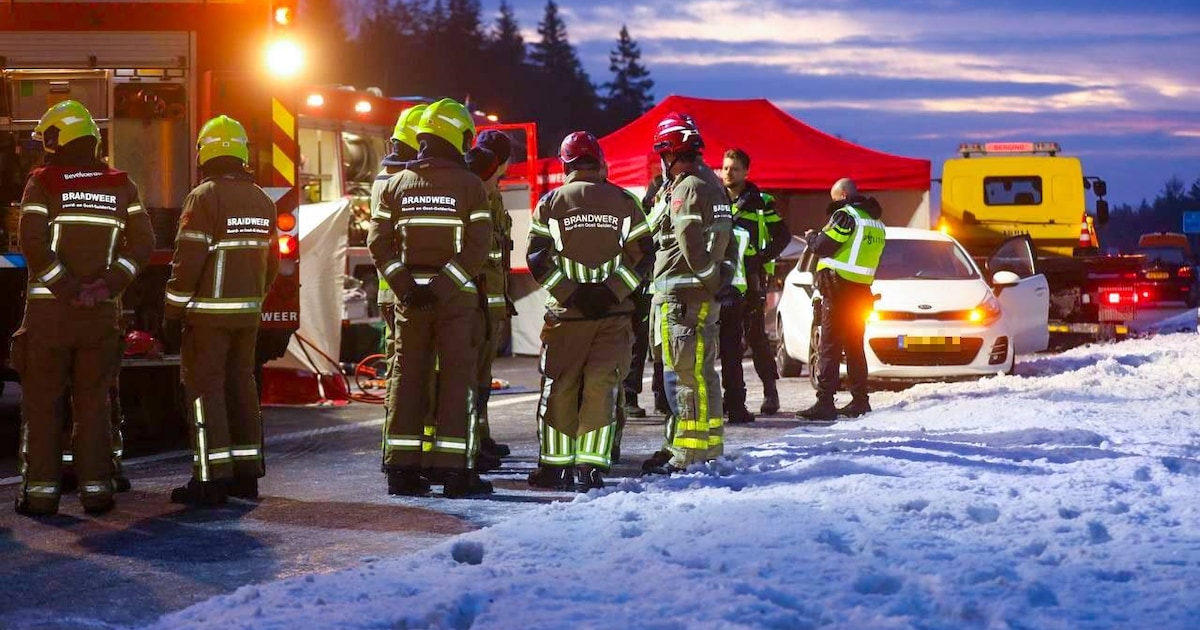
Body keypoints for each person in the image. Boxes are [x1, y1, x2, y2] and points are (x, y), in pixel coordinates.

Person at [12, 99, 154, 516]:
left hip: (50, 318)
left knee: (43, 406)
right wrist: (106, 285)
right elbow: (142, 246)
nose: (46, 147)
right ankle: (97, 492)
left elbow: (32, 244)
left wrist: (68, 288)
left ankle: (40, 496)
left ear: (61, 137)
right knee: (94, 404)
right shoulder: (122, 185)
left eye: (48, 139)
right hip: (99, 317)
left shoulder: (43, 183)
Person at [368, 98, 493, 498]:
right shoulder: (470, 186)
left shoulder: (396, 184)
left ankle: (402, 471)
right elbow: (478, 248)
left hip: (409, 302)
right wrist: (442, 287)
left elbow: (378, 242)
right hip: (454, 302)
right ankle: (456, 473)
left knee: (407, 379)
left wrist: (405, 284)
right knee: (458, 380)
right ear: (456, 137)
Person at [526, 131, 653, 490]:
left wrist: (572, 293)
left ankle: (553, 468)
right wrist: (611, 292)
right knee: (603, 387)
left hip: (566, 317)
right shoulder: (625, 201)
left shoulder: (550, 203)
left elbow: (537, 258)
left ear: (566, 163)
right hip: (614, 316)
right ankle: (590, 468)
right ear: (599, 161)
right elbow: (645, 256)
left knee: (559, 387)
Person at [162, 115, 278, 506]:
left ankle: (210, 480)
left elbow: (187, 261)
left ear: (205, 152)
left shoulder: (204, 196)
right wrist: (253, 298)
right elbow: (272, 263)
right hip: (247, 315)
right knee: (241, 388)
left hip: (208, 318)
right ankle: (246, 475)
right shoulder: (262, 199)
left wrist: (172, 312)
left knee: (205, 392)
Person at [640, 113, 734, 474]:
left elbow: (691, 247)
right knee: (702, 373)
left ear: (670, 152)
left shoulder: (688, 188)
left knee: (682, 377)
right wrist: (719, 282)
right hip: (698, 296)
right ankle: (706, 446)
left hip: (681, 297)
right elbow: (729, 242)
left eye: (663, 155)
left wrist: (710, 280)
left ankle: (687, 453)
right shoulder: (711, 183)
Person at [797, 178, 886, 422]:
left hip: (838, 290)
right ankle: (860, 400)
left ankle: (825, 402)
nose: (833, 204)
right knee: (855, 347)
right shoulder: (876, 222)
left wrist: (812, 237)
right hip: (861, 293)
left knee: (830, 347)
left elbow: (824, 247)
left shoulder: (845, 215)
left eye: (834, 198)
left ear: (843, 195)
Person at [721, 148, 790, 417]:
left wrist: (762, 258)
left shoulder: (760, 202)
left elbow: (782, 236)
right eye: (726, 167)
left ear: (746, 172)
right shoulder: (715, 200)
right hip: (723, 281)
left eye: (735, 168)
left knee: (756, 338)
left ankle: (770, 392)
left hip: (751, 281)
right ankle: (732, 398)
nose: (729, 173)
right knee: (728, 343)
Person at [464, 129, 515, 469]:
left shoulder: (491, 192)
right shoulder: (479, 192)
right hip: (478, 297)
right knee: (471, 376)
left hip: (491, 297)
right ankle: (470, 443)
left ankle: (481, 436)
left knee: (482, 375)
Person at [373, 104, 425, 425]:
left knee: (400, 367)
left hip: (391, 291)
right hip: (405, 292)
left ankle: (399, 446)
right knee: (406, 372)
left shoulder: (385, 178)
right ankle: (400, 447)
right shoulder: (403, 182)